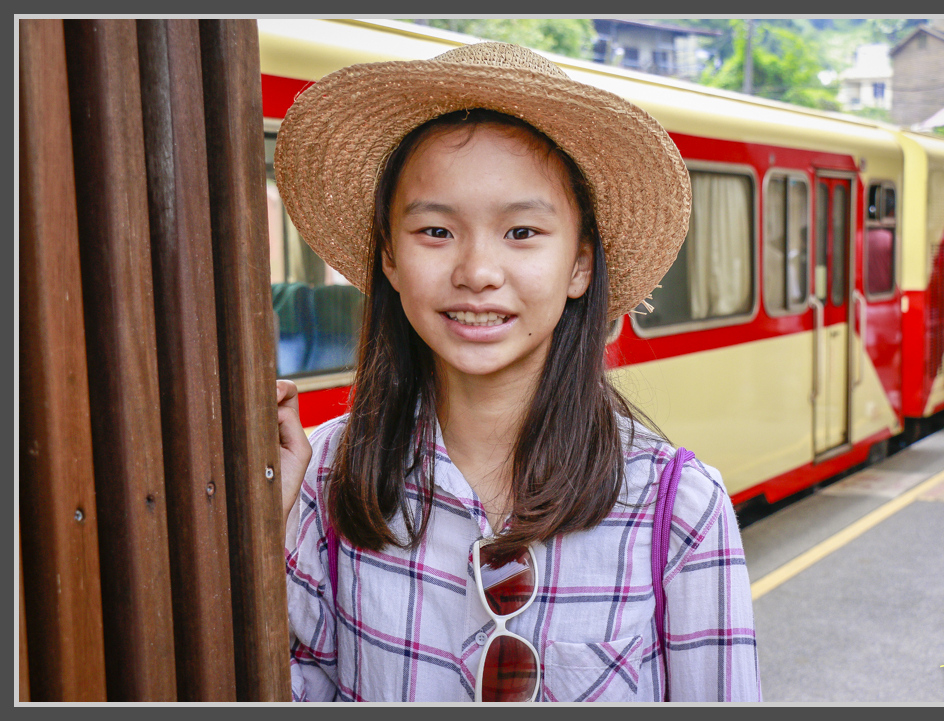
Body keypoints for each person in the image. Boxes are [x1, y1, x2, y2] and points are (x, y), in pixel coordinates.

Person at [274, 41, 761, 703]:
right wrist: (256, 537)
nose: (477, 271)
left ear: (581, 265)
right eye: (435, 232)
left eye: (523, 232)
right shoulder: (325, 476)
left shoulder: (680, 511)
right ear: (389, 258)